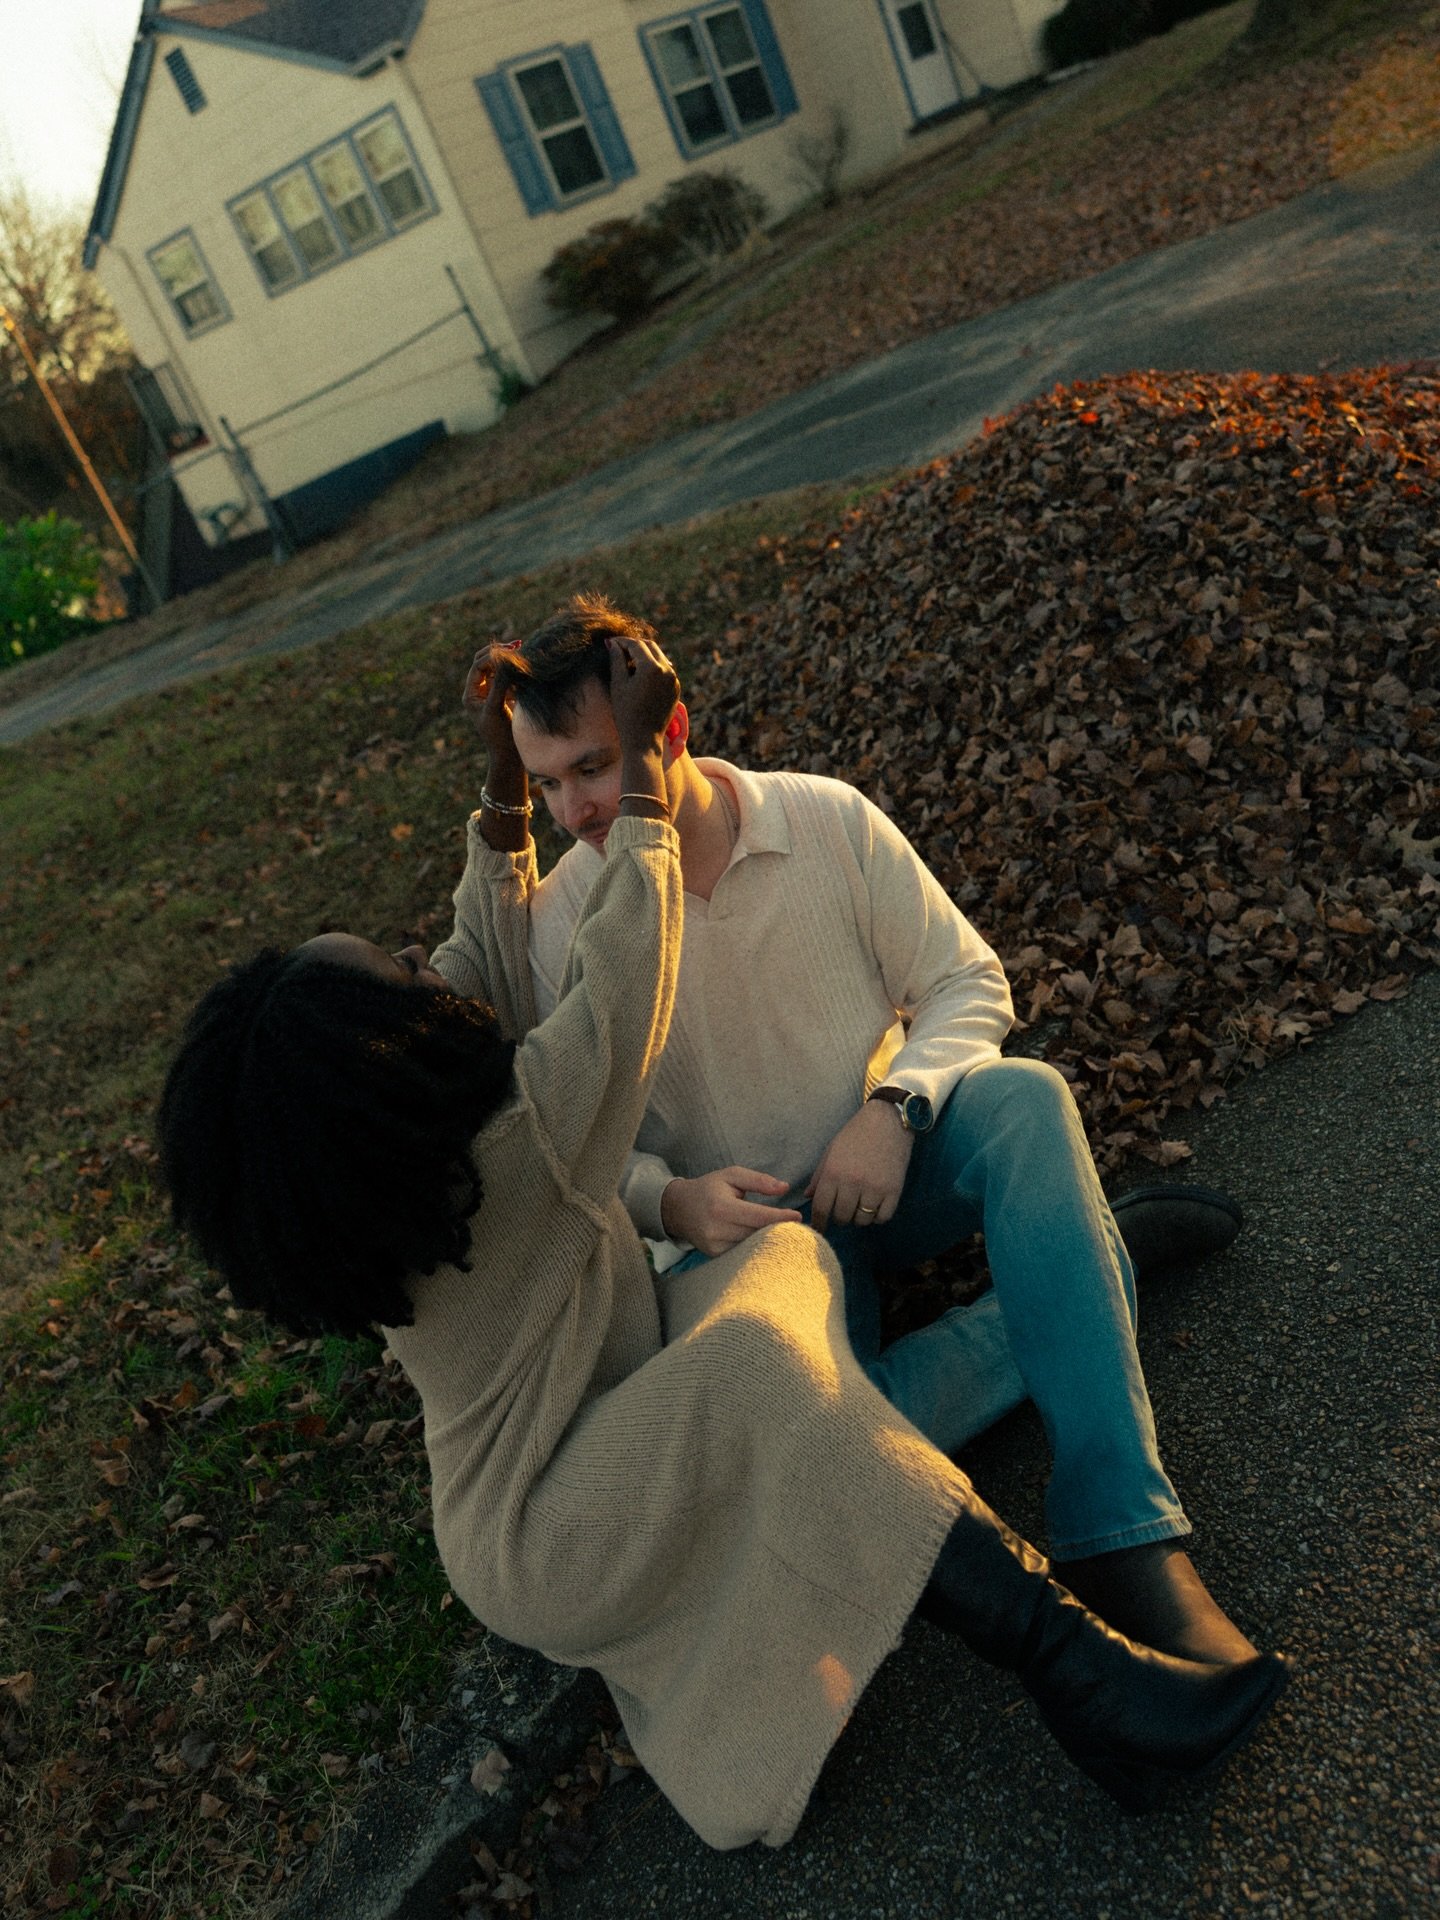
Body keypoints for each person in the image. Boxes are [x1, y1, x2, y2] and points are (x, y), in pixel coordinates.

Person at [158, 634, 1288, 1850]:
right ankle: (1084, 1669)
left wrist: (500, 801)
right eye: (550, 782)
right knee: (773, 1385)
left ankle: (1093, 1441)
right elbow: (622, 978)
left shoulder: (385, 1165)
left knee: (795, 1291)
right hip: (555, 1515)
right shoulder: (519, 1131)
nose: (418, 965)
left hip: (634, 1375)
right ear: (378, 1049)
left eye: (598, 768)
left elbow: (463, 961)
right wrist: (635, 800)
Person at [435, 596, 1253, 1665]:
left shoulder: (822, 818)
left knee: (1025, 1101)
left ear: (667, 731)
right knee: (840, 1463)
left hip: (885, 1171)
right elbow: (557, 1133)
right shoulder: (567, 919)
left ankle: (1124, 1534)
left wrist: (895, 1106)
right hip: (752, 1249)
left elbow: (966, 981)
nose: (577, 810)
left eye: (593, 767)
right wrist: (665, 1200)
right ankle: (1085, 1275)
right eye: (548, 784)